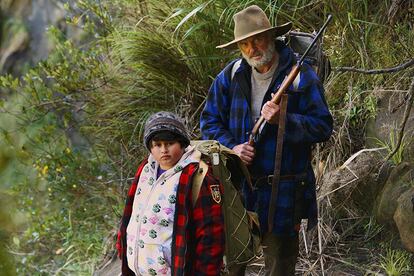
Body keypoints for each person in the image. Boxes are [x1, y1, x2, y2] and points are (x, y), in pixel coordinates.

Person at [200, 5, 333, 276]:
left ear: (271, 37)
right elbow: (209, 123)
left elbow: (323, 126)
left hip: (284, 189)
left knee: (280, 267)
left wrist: (284, 119)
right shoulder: (230, 76)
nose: (252, 49)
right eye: (245, 44)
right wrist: (232, 149)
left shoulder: (300, 76)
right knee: (233, 263)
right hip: (239, 188)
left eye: (257, 39)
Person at [117, 111, 225, 276]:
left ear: (182, 143)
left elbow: (210, 234)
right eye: (157, 144)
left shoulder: (197, 176)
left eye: (170, 143)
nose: (164, 150)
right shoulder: (145, 170)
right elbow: (131, 214)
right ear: (150, 147)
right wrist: (123, 248)